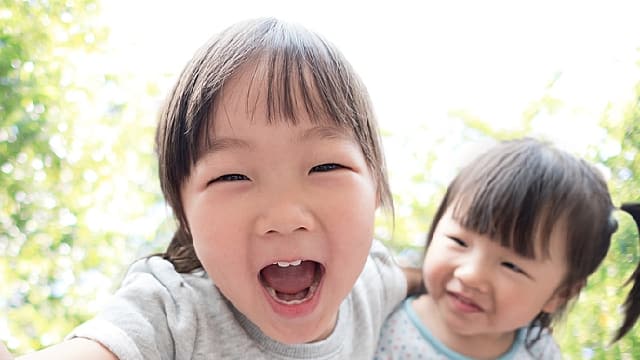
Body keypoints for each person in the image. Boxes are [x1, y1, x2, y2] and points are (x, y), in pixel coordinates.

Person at [9, 17, 421, 359]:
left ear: (378, 189)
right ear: (184, 216)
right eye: (232, 177)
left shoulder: (371, 282)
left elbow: (422, 276)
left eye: (325, 166)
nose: (284, 217)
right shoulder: (173, 312)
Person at [375, 138, 640, 359]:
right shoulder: (382, 320)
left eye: (511, 265)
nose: (471, 275)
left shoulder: (539, 352)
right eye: (459, 241)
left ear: (560, 294)